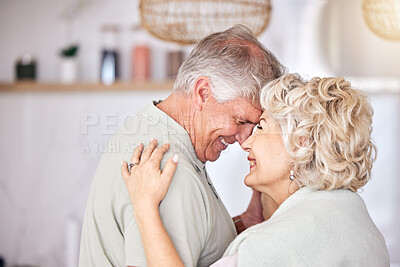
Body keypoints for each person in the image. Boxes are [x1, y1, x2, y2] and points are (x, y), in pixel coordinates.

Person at [121, 73, 390, 266]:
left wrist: (144, 207)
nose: (246, 142)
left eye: (260, 127)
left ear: (300, 141)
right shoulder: (358, 227)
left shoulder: (276, 244)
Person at [79, 24, 286, 267]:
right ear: (203, 93)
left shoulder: (154, 129)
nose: (244, 140)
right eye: (240, 121)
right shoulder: (166, 167)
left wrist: (243, 222)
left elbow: (194, 243)